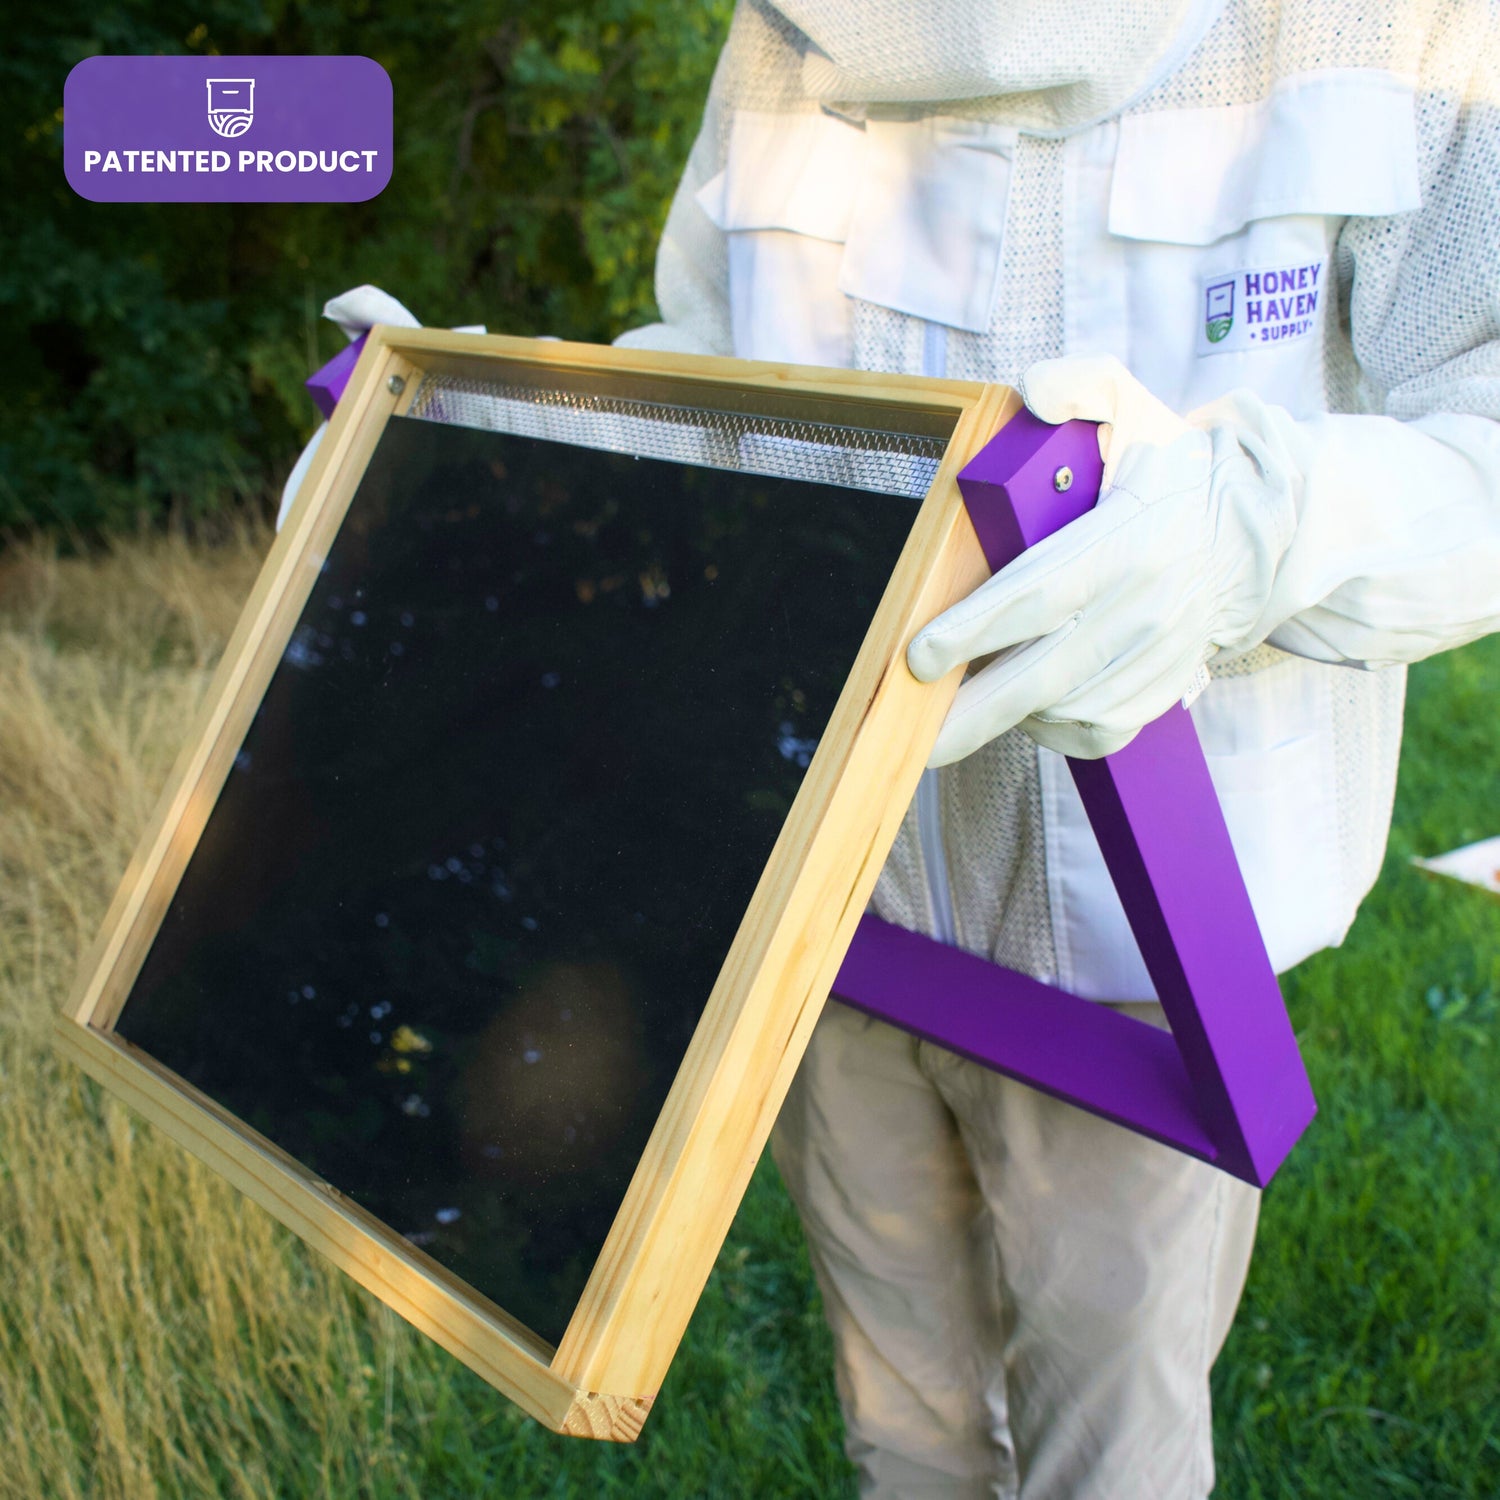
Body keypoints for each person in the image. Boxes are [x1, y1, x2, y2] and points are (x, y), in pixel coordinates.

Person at [604, 2, 1500, 1496]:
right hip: (831, 897)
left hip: (1144, 955)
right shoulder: (781, 36)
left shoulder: (1387, 24)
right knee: (903, 1429)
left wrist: (1257, 529)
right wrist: (462, 449)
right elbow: (708, 370)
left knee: (1110, 1459)